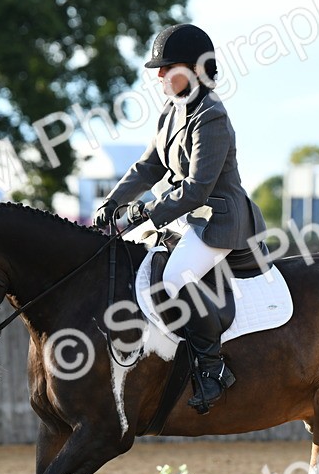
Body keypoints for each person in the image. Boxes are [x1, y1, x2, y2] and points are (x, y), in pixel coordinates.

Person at [93, 23, 266, 412]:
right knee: (127, 262)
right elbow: (147, 167)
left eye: (166, 67)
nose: (158, 76)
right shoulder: (171, 110)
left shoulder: (212, 116)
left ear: (192, 69)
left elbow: (197, 189)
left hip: (216, 219)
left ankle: (213, 368)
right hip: (183, 217)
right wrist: (113, 200)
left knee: (174, 279)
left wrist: (143, 213)